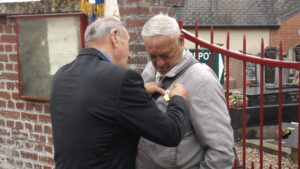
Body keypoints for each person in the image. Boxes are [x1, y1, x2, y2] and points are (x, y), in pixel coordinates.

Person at [50, 17, 190, 169]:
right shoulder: (121, 79)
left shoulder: (61, 76)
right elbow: (171, 133)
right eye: (128, 43)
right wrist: (178, 99)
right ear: (114, 36)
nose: (129, 55)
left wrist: (139, 91)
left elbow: (94, 106)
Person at [136, 14, 235, 169]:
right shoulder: (150, 70)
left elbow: (221, 152)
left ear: (181, 41)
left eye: (165, 55)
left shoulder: (202, 81)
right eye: (153, 56)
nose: (159, 63)